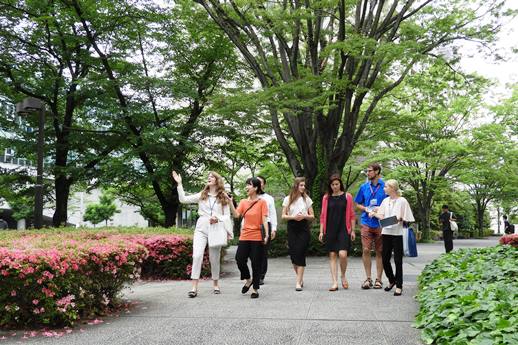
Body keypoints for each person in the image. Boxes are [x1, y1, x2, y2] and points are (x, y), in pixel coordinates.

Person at [172, 170, 233, 298]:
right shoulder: (202, 194)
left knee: (214, 259)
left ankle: (215, 283)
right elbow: (183, 199)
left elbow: (227, 216)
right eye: (208, 176)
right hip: (201, 227)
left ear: (217, 180)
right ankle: (194, 287)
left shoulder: (223, 197)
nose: (209, 178)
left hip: (216, 227)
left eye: (212, 177)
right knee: (197, 255)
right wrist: (179, 184)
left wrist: (218, 218)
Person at [369, 179, 414, 296]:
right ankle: (392, 280)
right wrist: (374, 214)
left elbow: (407, 218)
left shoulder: (402, 201)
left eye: (386, 187)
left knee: (398, 260)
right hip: (386, 233)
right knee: (385, 259)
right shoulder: (385, 201)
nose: (384, 189)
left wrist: (400, 218)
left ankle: (399, 286)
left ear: (393, 188)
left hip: (398, 234)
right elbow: (382, 216)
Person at [227, 177, 269, 299]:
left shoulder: (262, 202)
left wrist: (266, 234)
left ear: (255, 188)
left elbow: (264, 219)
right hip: (245, 235)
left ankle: (255, 289)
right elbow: (236, 215)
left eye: (249, 185)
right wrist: (230, 202)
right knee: (239, 259)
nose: (246, 187)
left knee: (256, 263)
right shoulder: (243, 202)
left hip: (257, 236)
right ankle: (248, 279)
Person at [318, 174, 356, 291]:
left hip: (343, 229)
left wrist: (353, 230)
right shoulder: (326, 198)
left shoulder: (347, 196)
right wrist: (321, 231)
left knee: (343, 255)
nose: (335, 186)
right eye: (333, 184)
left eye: (337, 184)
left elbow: (352, 215)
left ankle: (343, 275)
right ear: (330, 186)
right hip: (330, 229)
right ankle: (334, 282)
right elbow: (323, 216)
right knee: (333, 255)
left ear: (340, 184)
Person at [354, 163, 387, 290]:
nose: (367, 173)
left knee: (380, 251)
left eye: (370, 171)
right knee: (366, 250)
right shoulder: (364, 187)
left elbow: (390, 203)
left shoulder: (385, 186)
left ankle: (379, 279)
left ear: (377, 171)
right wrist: (366, 209)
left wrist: (380, 211)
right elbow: (357, 204)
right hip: (366, 221)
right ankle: (368, 279)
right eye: (367, 171)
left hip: (380, 223)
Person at [282, 177, 315, 291]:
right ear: (296, 186)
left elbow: (312, 216)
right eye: (301, 185)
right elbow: (283, 216)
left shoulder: (307, 199)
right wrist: (293, 217)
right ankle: (300, 277)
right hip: (292, 227)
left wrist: (304, 216)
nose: (303, 187)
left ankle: (298, 282)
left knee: (300, 253)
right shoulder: (287, 199)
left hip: (303, 228)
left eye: (304, 185)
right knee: (293, 255)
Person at [257, 175, 278, 285]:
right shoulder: (250, 197)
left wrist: (273, 229)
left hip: (266, 226)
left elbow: (273, 214)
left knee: (263, 252)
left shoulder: (269, 198)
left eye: (260, 182)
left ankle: (261, 275)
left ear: (264, 185)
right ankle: (255, 273)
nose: (258, 184)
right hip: (252, 226)